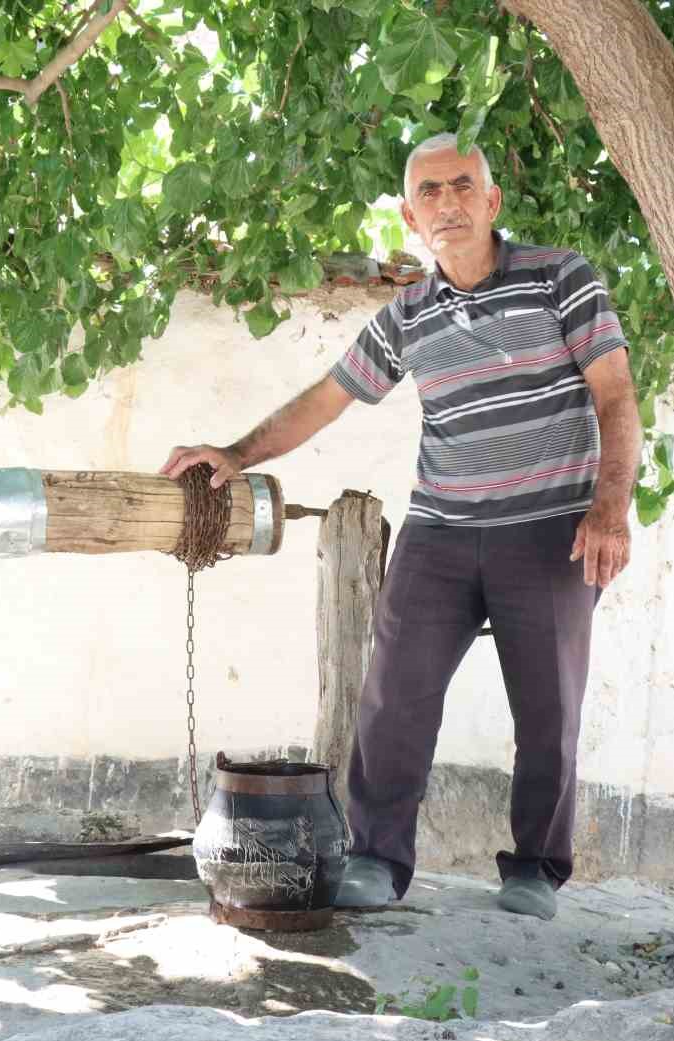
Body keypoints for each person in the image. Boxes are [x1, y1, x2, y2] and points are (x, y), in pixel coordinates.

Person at [160, 132, 640, 920]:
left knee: (549, 706)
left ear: (492, 201)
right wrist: (237, 452)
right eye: (429, 193)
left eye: (461, 187)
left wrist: (610, 507)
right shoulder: (407, 315)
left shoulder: (561, 278)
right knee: (393, 697)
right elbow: (327, 397)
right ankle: (379, 859)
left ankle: (534, 870)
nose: (446, 203)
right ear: (411, 217)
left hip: (551, 527)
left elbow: (616, 397)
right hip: (441, 530)